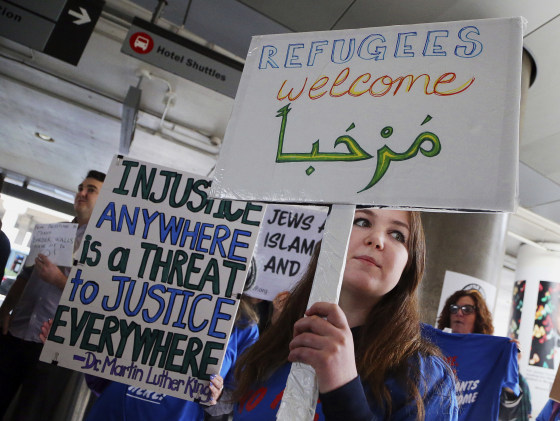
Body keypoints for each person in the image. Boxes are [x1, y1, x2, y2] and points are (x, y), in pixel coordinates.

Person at [232, 207, 458, 420]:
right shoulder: (272, 346)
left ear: (410, 265)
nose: (376, 240)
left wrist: (344, 390)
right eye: (362, 221)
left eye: (397, 235)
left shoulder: (425, 378)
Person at [0, 170, 105, 420]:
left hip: (55, 346)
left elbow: (99, 300)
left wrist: (58, 279)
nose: (82, 193)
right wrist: (5, 310)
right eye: (81, 187)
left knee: (31, 413)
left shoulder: (106, 248)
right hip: (16, 332)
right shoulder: (53, 231)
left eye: (91, 190)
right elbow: (25, 276)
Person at [79, 294, 260, 421]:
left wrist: (217, 396)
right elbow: (99, 375)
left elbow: (235, 400)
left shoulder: (244, 325)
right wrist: (67, 342)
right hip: (112, 411)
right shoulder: (145, 290)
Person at [437, 289, 529, 421]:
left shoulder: (493, 355)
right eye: (454, 308)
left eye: (467, 309)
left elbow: (506, 414)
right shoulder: (432, 346)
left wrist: (510, 362)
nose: (459, 313)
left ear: (479, 317)